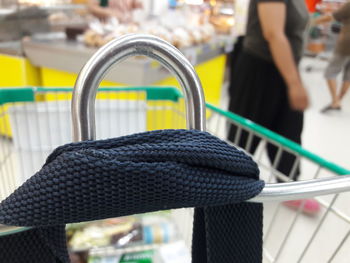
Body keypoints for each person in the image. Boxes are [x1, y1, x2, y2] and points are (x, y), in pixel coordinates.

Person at [228, 0, 320, 214]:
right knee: (245, 134)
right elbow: (273, 33)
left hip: (283, 68)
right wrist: (294, 83)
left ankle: (288, 182)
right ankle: (230, 184)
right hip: (259, 70)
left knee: (288, 129)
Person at [314, 1, 350, 113]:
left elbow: (333, 16)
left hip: (346, 43)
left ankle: (335, 101)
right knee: (348, 75)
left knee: (331, 72)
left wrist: (312, 22)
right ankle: (338, 101)